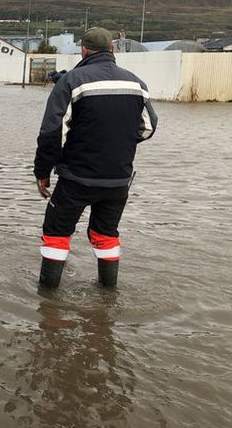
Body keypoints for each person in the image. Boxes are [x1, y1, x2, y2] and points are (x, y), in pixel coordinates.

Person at [33, 27, 158, 289]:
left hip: (76, 178)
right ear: (112, 49)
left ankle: (47, 305)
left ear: (84, 50)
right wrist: (116, 144)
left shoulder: (71, 81)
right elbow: (147, 128)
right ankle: (108, 296)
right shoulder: (136, 83)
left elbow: (52, 132)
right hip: (118, 180)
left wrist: (42, 172)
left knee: (56, 233)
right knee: (105, 235)